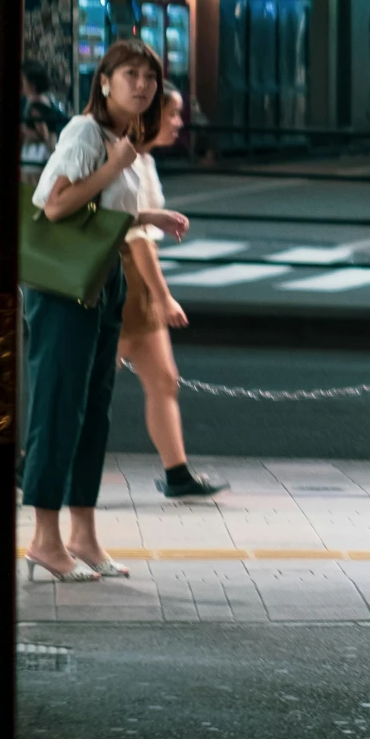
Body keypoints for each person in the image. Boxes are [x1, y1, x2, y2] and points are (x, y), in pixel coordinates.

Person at [22, 38, 175, 581]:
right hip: (64, 288)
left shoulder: (122, 138)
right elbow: (56, 204)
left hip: (104, 282)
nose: (142, 84)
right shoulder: (86, 132)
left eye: (150, 77)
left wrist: (151, 217)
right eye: (130, 73)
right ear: (104, 81)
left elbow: (103, 215)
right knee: (59, 406)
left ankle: (83, 535)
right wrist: (114, 167)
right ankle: (45, 538)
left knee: (93, 410)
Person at [117, 85, 229, 499]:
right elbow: (137, 237)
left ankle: (177, 472)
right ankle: (34, 462)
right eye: (173, 114)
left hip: (136, 283)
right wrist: (162, 297)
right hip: (125, 280)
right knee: (87, 387)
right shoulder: (127, 159)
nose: (180, 123)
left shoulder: (141, 159)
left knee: (163, 380)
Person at [21, 60, 68, 166]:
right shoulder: (46, 100)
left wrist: (24, 131)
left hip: (37, 157)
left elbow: (43, 135)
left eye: (23, 81)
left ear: (32, 85)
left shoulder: (35, 106)